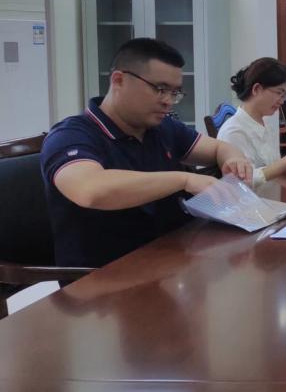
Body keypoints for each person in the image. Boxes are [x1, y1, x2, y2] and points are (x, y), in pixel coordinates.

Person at [40, 38, 253, 268]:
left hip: (171, 260)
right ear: (119, 80)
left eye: (175, 92)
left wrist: (233, 158)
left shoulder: (161, 128)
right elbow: (90, 190)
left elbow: (219, 148)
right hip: (106, 275)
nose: (168, 102)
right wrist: (184, 179)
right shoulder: (71, 135)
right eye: (160, 89)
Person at [217, 57, 286, 188]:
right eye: (279, 93)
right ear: (256, 89)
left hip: (271, 193)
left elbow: (271, 168)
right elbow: (245, 181)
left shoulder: (265, 123)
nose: (282, 101)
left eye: (284, 95)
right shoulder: (234, 131)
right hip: (252, 199)